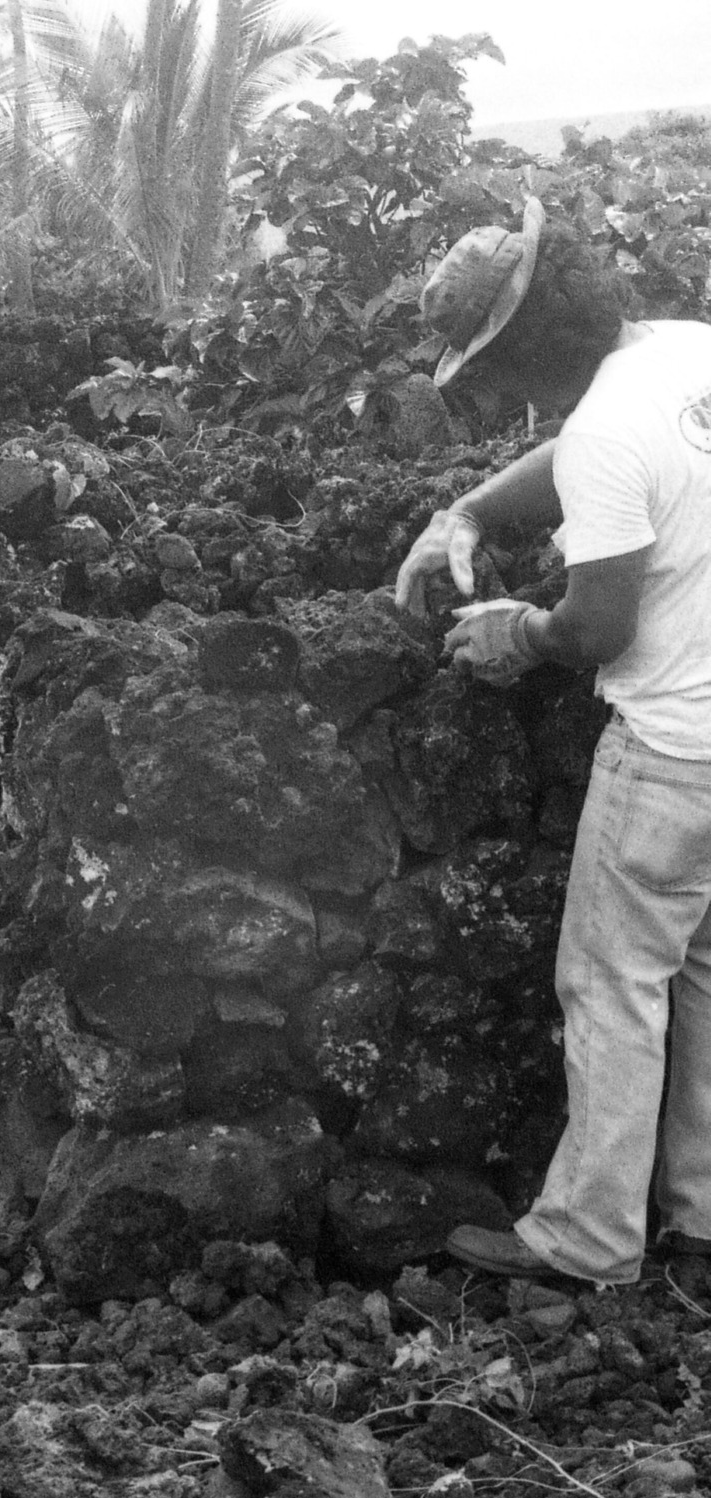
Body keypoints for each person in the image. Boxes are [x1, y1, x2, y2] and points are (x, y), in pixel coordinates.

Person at [391, 196, 711, 1284]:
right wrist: (473, 510)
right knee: (704, 976)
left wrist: (512, 633)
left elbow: (595, 625)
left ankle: (587, 1239)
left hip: (671, 753)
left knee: (611, 981)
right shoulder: (681, 352)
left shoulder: (605, 436)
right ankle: (701, 1218)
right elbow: (587, 454)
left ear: (520, 353)